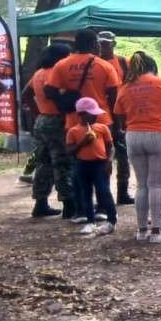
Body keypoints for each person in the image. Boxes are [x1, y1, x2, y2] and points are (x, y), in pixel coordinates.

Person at [113, 52, 161, 242]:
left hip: (134, 136)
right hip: (160, 134)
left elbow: (119, 117)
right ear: (153, 67)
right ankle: (156, 231)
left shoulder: (125, 88)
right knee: (156, 184)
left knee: (142, 184)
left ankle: (142, 231)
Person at [29, 43, 74, 219]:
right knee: (62, 162)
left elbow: (26, 95)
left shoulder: (38, 74)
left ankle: (40, 203)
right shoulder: (56, 74)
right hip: (57, 121)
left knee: (43, 163)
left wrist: (39, 112)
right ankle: (69, 204)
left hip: (42, 120)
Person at [65, 97, 115, 236]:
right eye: (92, 114)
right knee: (86, 193)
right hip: (82, 165)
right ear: (81, 114)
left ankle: (112, 219)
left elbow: (111, 147)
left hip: (100, 164)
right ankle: (90, 221)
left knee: (104, 191)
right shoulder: (73, 131)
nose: (95, 116)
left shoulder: (102, 128)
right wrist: (83, 142)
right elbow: (69, 151)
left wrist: (109, 161)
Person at [96, 31, 133, 205]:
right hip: (102, 117)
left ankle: (122, 192)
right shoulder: (94, 63)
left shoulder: (123, 62)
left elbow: (130, 84)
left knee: (123, 155)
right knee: (103, 157)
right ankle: (103, 194)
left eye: (107, 43)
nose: (104, 46)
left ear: (114, 44)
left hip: (121, 115)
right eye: (101, 43)